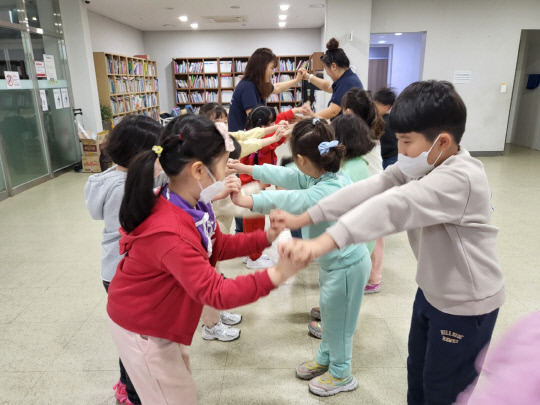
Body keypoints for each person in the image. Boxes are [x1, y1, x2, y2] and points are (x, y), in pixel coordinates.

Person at [275, 80, 504, 405]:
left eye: (406, 142)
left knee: (443, 389)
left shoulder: (460, 177)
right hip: (433, 291)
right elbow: (374, 185)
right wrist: (307, 217)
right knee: (418, 373)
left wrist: (323, 242)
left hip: (466, 304)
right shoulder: (424, 161)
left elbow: (395, 206)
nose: (401, 151)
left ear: (442, 141)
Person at [106, 114, 309, 404]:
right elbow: (216, 292)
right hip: (141, 326)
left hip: (157, 319)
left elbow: (217, 245)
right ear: (199, 170)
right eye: (224, 165)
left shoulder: (188, 201)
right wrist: (277, 274)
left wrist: (266, 237)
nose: (229, 172)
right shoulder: (171, 231)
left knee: (178, 383)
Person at [228, 118, 371, 397]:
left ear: (303, 159)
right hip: (336, 264)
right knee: (331, 315)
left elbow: (290, 200)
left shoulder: (328, 190)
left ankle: (342, 374)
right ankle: (326, 358)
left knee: (340, 324)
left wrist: (248, 201)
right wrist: (247, 168)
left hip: (347, 266)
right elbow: (287, 176)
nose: (295, 166)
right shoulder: (323, 173)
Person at [84, 115, 162, 405]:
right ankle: (132, 394)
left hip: (115, 270)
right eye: (156, 153)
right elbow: (132, 233)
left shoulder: (118, 179)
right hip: (124, 272)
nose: (160, 161)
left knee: (130, 336)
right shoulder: (123, 188)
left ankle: (126, 384)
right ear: (138, 155)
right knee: (136, 342)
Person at [307, 114, 377, 339]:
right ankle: (328, 311)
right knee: (331, 285)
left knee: (343, 290)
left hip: (353, 244)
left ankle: (334, 326)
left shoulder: (355, 168)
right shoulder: (348, 163)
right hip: (343, 239)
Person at [239, 105, 304, 270]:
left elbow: (279, 117)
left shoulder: (249, 133)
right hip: (253, 186)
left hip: (249, 185)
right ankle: (255, 257)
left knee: (249, 221)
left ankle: (249, 253)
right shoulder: (263, 142)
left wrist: (294, 111)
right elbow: (280, 138)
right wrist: (298, 125)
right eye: (271, 123)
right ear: (263, 126)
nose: (275, 125)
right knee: (256, 222)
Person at [341, 87, 386, 294]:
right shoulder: (370, 126)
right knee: (376, 236)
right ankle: (373, 276)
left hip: (371, 189)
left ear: (349, 112)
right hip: (377, 185)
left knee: (372, 236)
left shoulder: (358, 135)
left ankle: (372, 278)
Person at [228, 47, 302, 132]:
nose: (273, 72)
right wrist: (281, 124)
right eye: (271, 68)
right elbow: (257, 120)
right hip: (241, 140)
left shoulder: (258, 84)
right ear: (261, 67)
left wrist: (296, 80)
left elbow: (277, 87)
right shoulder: (247, 87)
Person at [299, 38, 363, 120]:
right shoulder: (347, 78)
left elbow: (332, 111)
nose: (327, 73)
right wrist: (308, 77)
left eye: (326, 69)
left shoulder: (347, 82)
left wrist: (306, 119)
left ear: (333, 66)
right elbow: (328, 86)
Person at [374, 87, 398, 169]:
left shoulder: (387, 122)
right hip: (385, 157)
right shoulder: (378, 119)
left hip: (390, 158)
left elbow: (387, 146)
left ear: (387, 107)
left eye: (377, 104)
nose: (374, 106)